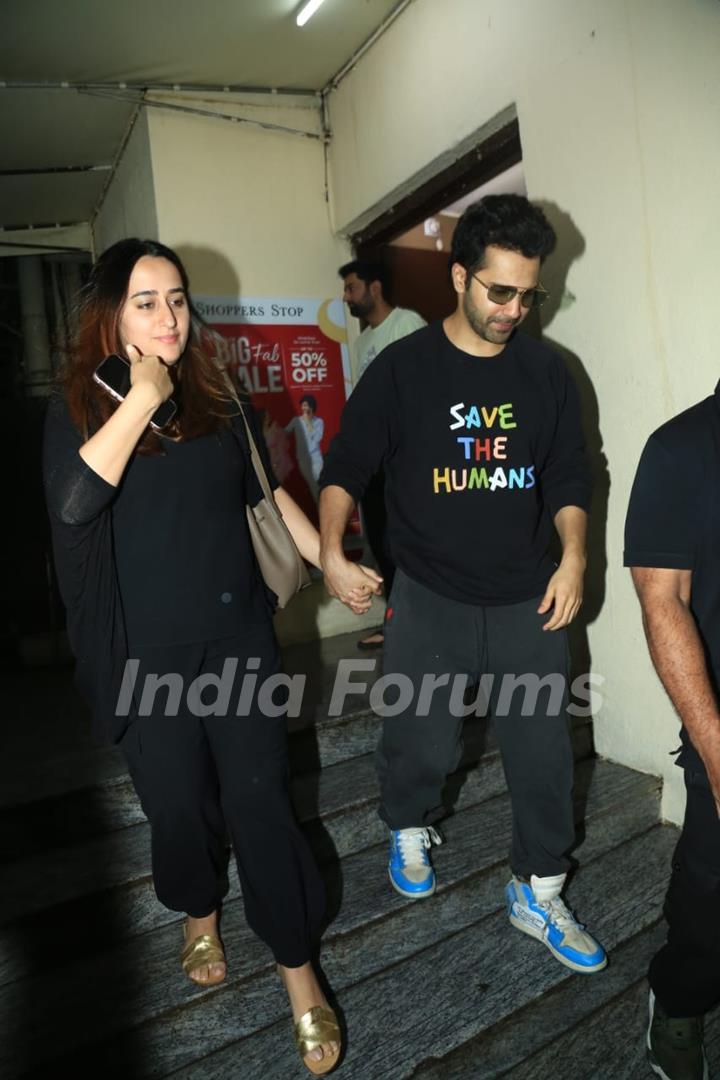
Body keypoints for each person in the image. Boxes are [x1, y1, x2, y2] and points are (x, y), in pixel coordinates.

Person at [42, 238, 373, 1075]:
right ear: (110, 312)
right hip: (144, 659)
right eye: (146, 301)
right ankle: (197, 910)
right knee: (181, 809)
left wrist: (329, 558)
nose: (168, 317)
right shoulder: (79, 407)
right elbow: (77, 504)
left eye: (178, 299)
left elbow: (266, 496)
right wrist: (140, 395)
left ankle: (298, 972)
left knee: (262, 801)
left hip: (236, 643)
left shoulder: (218, 395)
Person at [320, 195, 606, 975]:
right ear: (458, 277)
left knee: (544, 750)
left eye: (528, 294)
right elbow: (346, 466)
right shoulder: (403, 370)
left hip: (528, 597)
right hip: (432, 594)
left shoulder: (549, 372)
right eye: (498, 291)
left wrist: (575, 556)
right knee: (421, 739)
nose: (514, 309)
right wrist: (330, 551)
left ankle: (539, 889)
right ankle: (407, 821)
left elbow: (571, 474)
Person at [624, 386, 720, 1078]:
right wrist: (716, 749)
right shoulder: (681, 447)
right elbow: (663, 603)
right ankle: (679, 999)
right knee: (712, 884)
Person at [339, 259, 426, 649]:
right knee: (383, 541)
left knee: (410, 540)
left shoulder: (406, 324)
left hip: (406, 458)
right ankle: (396, 623)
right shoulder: (361, 342)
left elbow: (425, 390)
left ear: (375, 288)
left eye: (352, 287)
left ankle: (423, 624)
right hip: (374, 460)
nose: (347, 296)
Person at [285, 395, 325, 501]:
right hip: (303, 458)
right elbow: (285, 432)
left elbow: (317, 438)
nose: (304, 408)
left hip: (316, 457)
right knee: (312, 484)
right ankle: (319, 506)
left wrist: (308, 423)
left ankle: (321, 505)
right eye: (302, 406)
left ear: (312, 407)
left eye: (306, 405)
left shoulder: (319, 422)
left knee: (319, 482)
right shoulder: (296, 420)